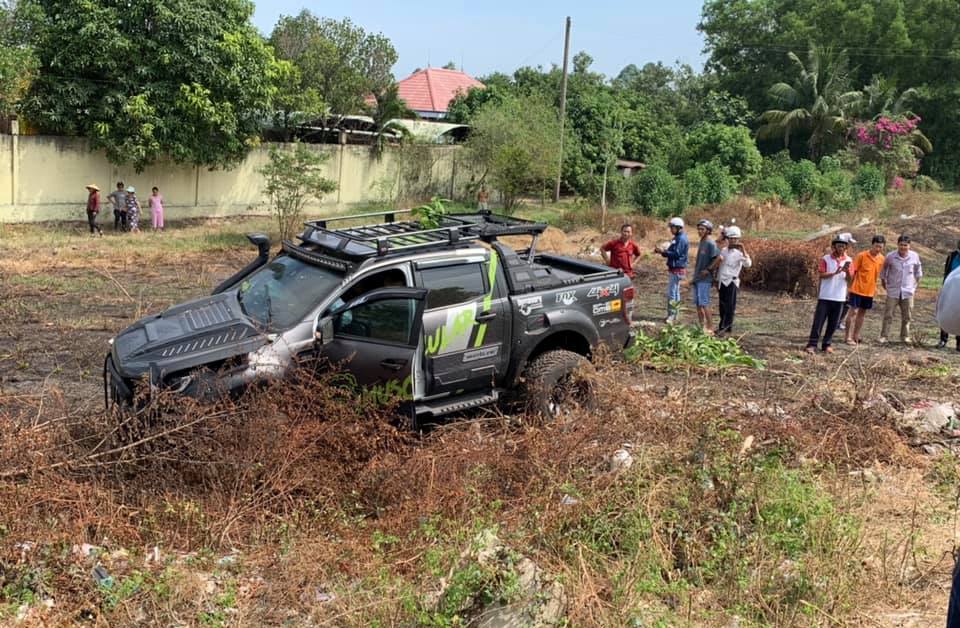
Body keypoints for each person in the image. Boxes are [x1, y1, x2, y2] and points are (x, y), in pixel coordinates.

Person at [805, 235, 853, 354]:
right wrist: (834, 273)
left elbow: (851, 280)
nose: (841, 248)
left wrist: (846, 272)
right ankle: (812, 344)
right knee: (819, 321)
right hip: (826, 295)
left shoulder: (849, 260)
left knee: (833, 323)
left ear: (846, 247)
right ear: (833, 247)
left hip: (840, 296)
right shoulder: (826, 259)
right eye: (838, 246)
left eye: (843, 246)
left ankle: (827, 344)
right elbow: (821, 274)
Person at [879, 234, 923, 344]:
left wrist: (914, 286)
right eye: (901, 245)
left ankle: (905, 337)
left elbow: (918, 272)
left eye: (905, 245)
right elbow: (883, 271)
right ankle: (884, 336)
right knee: (888, 315)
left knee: (907, 316)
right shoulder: (890, 256)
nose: (903, 247)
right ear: (897, 245)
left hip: (908, 292)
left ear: (909, 246)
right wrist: (885, 284)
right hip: (893, 291)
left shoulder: (914, 256)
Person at [844, 235, 886, 345]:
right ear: (872, 245)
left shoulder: (882, 259)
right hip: (857, 289)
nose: (878, 249)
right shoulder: (862, 256)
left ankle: (856, 335)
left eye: (880, 247)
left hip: (870, 291)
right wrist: (849, 287)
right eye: (876, 246)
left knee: (862, 314)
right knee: (853, 312)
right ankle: (847, 337)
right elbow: (852, 272)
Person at [715, 225, 751, 335]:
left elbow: (748, 264)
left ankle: (727, 327)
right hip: (722, 281)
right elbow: (720, 266)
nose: (733, 241)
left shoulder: (740, 253)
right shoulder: (724, 250)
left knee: (730, 306)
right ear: (728, 239)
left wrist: (743, 249)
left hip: (732, 281)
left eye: (735, 239)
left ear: (738, 239)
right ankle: (722, 325)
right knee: (722, 305)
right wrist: (717, 280)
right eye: (731, 239)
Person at [654, 217, 688, 323]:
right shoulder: (677, 238)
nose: (670, 229)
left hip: (677, 268)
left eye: (672, 227)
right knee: (676, 292)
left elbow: (676, 254)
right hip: (675, 268)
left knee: (672, 293)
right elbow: (672, 250)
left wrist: (663, 252)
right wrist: (663, 251)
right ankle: (675, 314)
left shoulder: (681, 239)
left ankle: (671, 315)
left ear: (678, 228)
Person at [691, 219, 721, 332]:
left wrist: (708, 270)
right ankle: (701, 326)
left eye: (702, 229)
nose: (699, 231)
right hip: (698, 278)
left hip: (705, 279)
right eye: (698, 229)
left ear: (708, 230)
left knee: (704, 303)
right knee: (698, 304)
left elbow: (719, 258)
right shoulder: (702, 242)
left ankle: (710, 327)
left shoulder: (710, 243)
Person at [938, 241, 960, 349]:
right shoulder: (952, 256)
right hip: (949, 287)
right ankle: (943, 339)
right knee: (945, 311)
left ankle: (959, 343)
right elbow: (946, 271)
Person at [836, 232, 857, 331]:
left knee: (846, 303)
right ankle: (837, 321)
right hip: (840, 284)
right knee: (843, 303)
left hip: (845, 282)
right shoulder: (841, 256)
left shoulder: (848, 256)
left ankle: (838, 321)